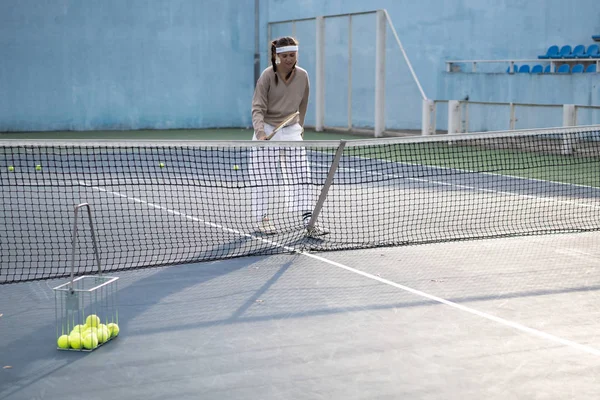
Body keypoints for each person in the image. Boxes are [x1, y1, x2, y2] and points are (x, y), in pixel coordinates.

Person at [250, 36, 328, 237]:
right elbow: (258, 107)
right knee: (263, 178)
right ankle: (262, 219)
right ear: (276, 56)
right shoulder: (267, 76)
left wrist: (299, 126)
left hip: (291, 129)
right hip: (267, 129)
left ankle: (308, 219)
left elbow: (303, 103)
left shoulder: (303, 76)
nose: (289, 59)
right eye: (284, 56)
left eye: (292, 55)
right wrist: (260, 133)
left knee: (302, 175)